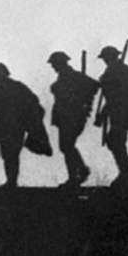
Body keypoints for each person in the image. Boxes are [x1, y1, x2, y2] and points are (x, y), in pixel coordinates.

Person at [47, 51, 100, 188]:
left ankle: (78, 173)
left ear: (61, 63)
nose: (53, 67)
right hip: (64, 117)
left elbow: (94, 86)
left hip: (73, 116)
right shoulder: (64, 77)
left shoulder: (74, 76)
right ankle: (78, 173)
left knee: (66, 146)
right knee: (66, 146)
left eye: (55, 64)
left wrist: (83, 101)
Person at [0, 62, 42, 188]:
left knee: (12, 154)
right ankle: (11, 181)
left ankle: (11, 181)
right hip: (3, 126)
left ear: (4, 73)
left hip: (16, 126)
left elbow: (33, 101)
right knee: (8, 154)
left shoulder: (17, 87)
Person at [95, 45, 128, 188]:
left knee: (116, 141)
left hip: (122, 112)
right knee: (115, 142)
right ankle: (125, 174)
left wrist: (103, 114)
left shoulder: (119, 71)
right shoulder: (116, 70)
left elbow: (117, 96)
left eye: (105, 58)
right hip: (119, 112)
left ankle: (126, 175)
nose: (104, 61)